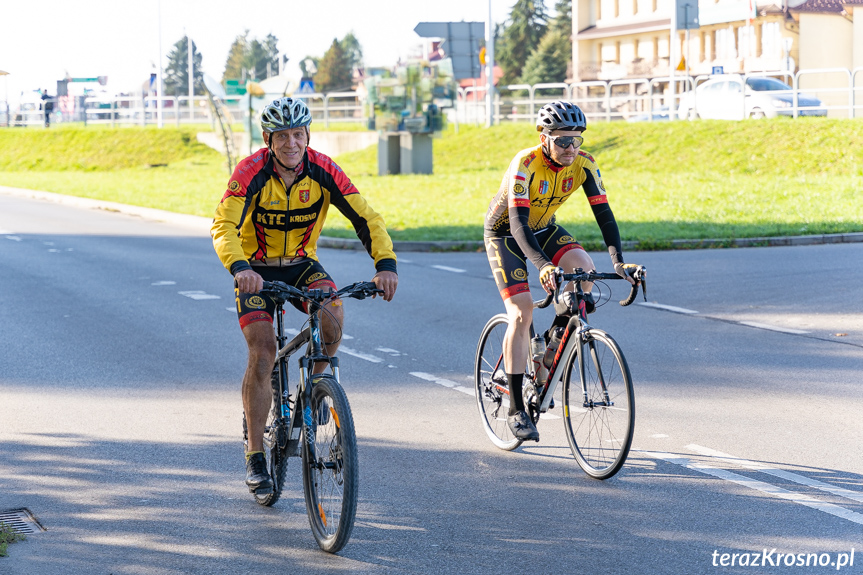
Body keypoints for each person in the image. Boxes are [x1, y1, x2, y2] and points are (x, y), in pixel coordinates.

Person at [211, 97, 398, 495]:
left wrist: (385, 265)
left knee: (333, 312)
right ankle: (255, 455)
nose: (291, 143)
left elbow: (366, 217)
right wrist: (240, 268)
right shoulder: (249, 172)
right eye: (282, 136)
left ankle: (318, 385)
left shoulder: (324, 169)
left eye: (299, 134)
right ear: (268, 139)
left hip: (301, 262)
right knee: (262, 353)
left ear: (308, 135)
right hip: (256, 270)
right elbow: (224, 224)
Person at [483, 100, 641, 442]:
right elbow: (518, 224)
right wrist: (543, 267)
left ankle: (552, 345)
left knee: (585, 270)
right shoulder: (525, 164)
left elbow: (605, 216)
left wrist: (618, 262)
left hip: (544, 228)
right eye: (562, 141)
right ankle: (515, 409)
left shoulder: (584, 164)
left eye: (576, 140)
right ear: (545, 139)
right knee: (522, 313)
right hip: (507, 233)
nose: (571, 148)